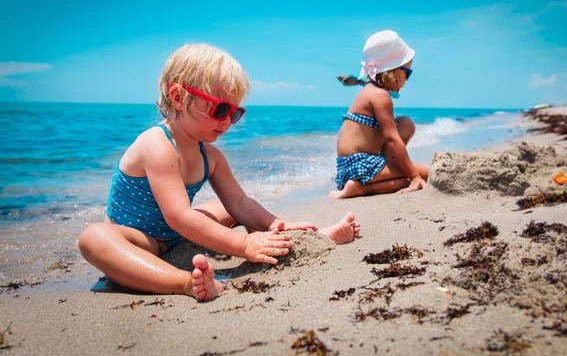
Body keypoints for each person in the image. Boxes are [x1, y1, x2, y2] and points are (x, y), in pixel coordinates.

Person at [78, 44, 360, 302]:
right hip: (138, 241)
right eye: (220, 108)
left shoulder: (209, 155)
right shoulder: (157, 145)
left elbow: (239, 203)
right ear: (178, 97)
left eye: (235, 112)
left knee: (232, 209)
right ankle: (184, 283)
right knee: (93, 238)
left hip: (176, 238)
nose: (227, 121)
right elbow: (179, 216)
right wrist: (243, 243)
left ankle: (300, 241)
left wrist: (279, 224)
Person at [329, 30, 429, 199]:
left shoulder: (370, 90)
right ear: (392, 71)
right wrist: (414, 177)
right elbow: (391, 138)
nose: (408, 79)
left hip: (347, 169)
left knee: (405, 123)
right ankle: (362, 188)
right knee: (427, 175)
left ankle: (361, 185)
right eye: (407, 72)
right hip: (364, 166)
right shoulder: (381, 96)